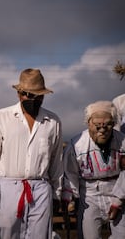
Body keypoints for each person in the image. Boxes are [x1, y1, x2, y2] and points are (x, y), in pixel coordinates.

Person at [0, 68, 63, 238]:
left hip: (41, 186)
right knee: (8, 232)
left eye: (38, 96)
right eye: (28, 95)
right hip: (9, 187)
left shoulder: (52, 121)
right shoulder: (2, 117)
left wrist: (56, 192)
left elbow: (56, 160)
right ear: (19, 94)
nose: (33, 100)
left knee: (40, 235)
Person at [63, 100, 125, 238]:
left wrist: (118, 201)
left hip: (117, 190)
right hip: (89, 195)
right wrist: (69, 198)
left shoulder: (123, 142)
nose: (102, 130)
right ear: (88, 123)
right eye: (97, 126)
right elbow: (70, 173)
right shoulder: (77, 145)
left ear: (114, 123)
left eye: (107, 125)